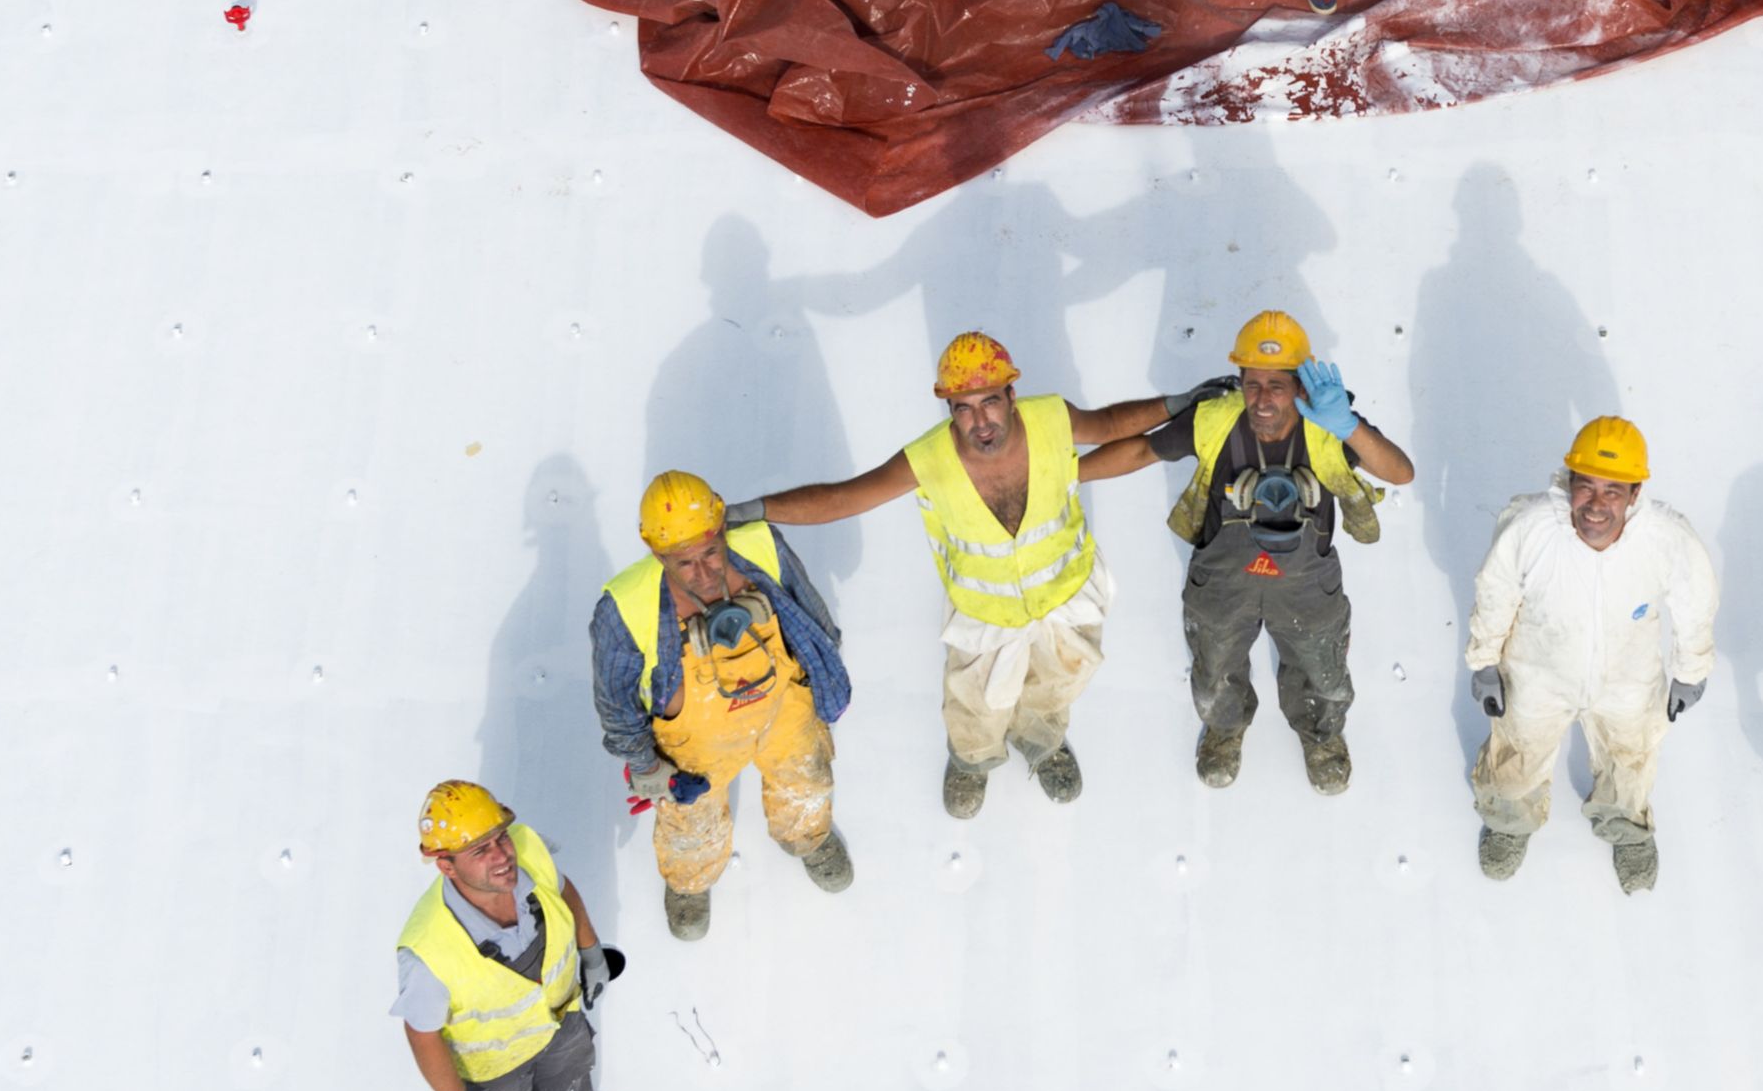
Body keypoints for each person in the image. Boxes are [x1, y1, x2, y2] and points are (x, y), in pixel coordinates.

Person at [752, 333, 1178, 816]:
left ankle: (1041, 739)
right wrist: (761, 509)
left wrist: (1177, 404)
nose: (980, 422)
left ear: (1012, 396)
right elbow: (843, 498)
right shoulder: (928, 460)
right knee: (975, 704)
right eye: (963, 408)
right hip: (985, 616)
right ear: (949, 409)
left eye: (990, 402)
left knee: (1058, 682)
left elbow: (1109, 425)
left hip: (1067, 596)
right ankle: (972, 760)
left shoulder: (1051, 419)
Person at [1074, 309, 1414, 792]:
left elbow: (1400, 473)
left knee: (1322, 667)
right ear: (1238, 380)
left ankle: (1321, 736)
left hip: (1306, 585)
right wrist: (1066, 475)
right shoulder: (1215, 419)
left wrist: (1348, 427)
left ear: (1300, 385)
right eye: (1252, 383)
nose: (1263, 399)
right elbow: (1141, 450)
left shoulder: (1328, 423)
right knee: (1214, 664)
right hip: (1223, 578)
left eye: (1277, 385)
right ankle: (1224, 728)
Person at [589, 471, 855, 941]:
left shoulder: (760, 545)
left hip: (782, 709)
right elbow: (616, 703)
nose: (705, 571)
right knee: (691, 822)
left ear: (720, 528)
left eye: (711, 551)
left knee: (806, 778)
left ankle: (806, 837)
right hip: (695, 744)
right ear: (656, 552)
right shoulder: (624, 606)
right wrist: (648, 767)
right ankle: (691, 881)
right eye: (684, 563)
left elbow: (811, 610)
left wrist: (825, 674)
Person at [1461, 415, 1719, 891]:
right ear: (1570, 482)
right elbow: (1495, 593)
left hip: (1628, 678)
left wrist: (1690, 671)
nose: (1596, 505)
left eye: (1613, 491)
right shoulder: (1532, 528)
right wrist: (1484, 662)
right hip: (1538, 671)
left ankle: (1625, 827)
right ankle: (1509, 822)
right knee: (1517, 753)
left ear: (1635, 494)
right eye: (1587, 487)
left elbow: (1696, 602)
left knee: (1630, 757)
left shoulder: (1666, 540)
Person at [394, 779, 643, 1091]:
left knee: (572, 1086)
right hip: (493, 1066)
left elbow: (561, 885)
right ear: (446, 864)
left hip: (558, 1021)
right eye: (479, 850)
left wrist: (589, 950)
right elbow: (421, 1033)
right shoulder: (429, 949)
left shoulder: (526, 852)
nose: (502, 855)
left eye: (500, 838)